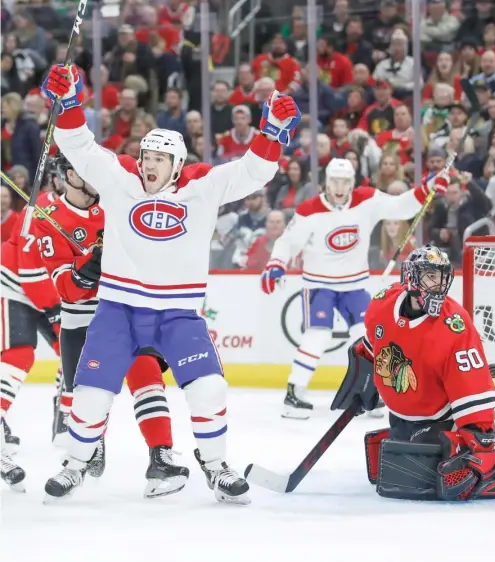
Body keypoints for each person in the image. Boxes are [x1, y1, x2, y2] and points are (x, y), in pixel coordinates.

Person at [40, 64, 301, 504]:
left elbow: (253, 172)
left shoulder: (201, 188)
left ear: (177, 164)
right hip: (119, 310)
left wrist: (270, 131)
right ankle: (75, 465)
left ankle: (216, 467)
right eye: (145, 156)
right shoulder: (121, 179)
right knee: (88, 396)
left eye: (159, 159)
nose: (148, 165)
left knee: (209, 388)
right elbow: (80, 147)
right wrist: (68, 105)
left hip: (178, 312)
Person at [333, 246, 495, 501]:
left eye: (443, 277)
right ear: (411, 277)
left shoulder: (454, 324)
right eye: (431, 276)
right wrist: (362, 381)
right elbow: (372, 345)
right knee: (387, 468)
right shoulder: (382, 303)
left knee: (426, 478)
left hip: (440, 417)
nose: (439, 285)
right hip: (401, 416)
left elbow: (472, 385)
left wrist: (481, 442)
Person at [33, 154, 187, 499]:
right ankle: (84, 455)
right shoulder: (49, 219)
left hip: (124, 310)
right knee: (88, 395)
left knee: (147, 376)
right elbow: (67, 289)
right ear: (71, 175)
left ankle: (161, 456)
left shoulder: (116, 203)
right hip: (83, 319)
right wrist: (91, 263)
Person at [260, 158, 450, 419]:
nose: (339, 187)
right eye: (335, 181)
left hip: (354, 284)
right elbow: (287, 242)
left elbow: (399, 207)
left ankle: (373, 391)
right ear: (326, 181)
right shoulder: (309, 210)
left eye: (345, 182)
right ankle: (294, 393)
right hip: (319, 285)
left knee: (370, 336)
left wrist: (425, 189)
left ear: (353, 182)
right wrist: (276, 263)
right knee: (317, 336)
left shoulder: (367, 199)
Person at [1, 185, 64, 492]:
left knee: (73, 353)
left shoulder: (98, 210)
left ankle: (65, 415)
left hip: (50, 294)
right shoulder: (36, 212)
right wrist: (55, 310)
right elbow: (29, 271)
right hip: (13, 285)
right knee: (19, 354)